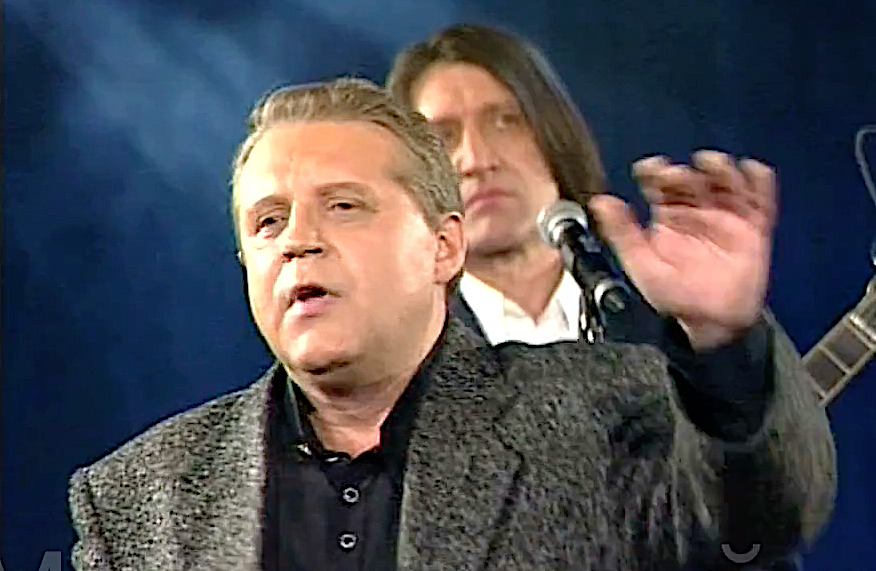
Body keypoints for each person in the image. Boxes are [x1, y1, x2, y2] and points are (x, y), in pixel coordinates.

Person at [68, 77, 835, 571]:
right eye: (268, 221)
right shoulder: (141, 494)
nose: (297, 239)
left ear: (444, 247)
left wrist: (724, 343)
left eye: (343, 205)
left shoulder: (599, 413)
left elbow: (763, 519)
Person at [387, 25, 820, 570]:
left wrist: (721, 343)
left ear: (554, 134)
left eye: (507, 120)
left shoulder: (672, 310)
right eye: (443, 136)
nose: (476, 158)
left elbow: (776, 512)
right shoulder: (395, 360)